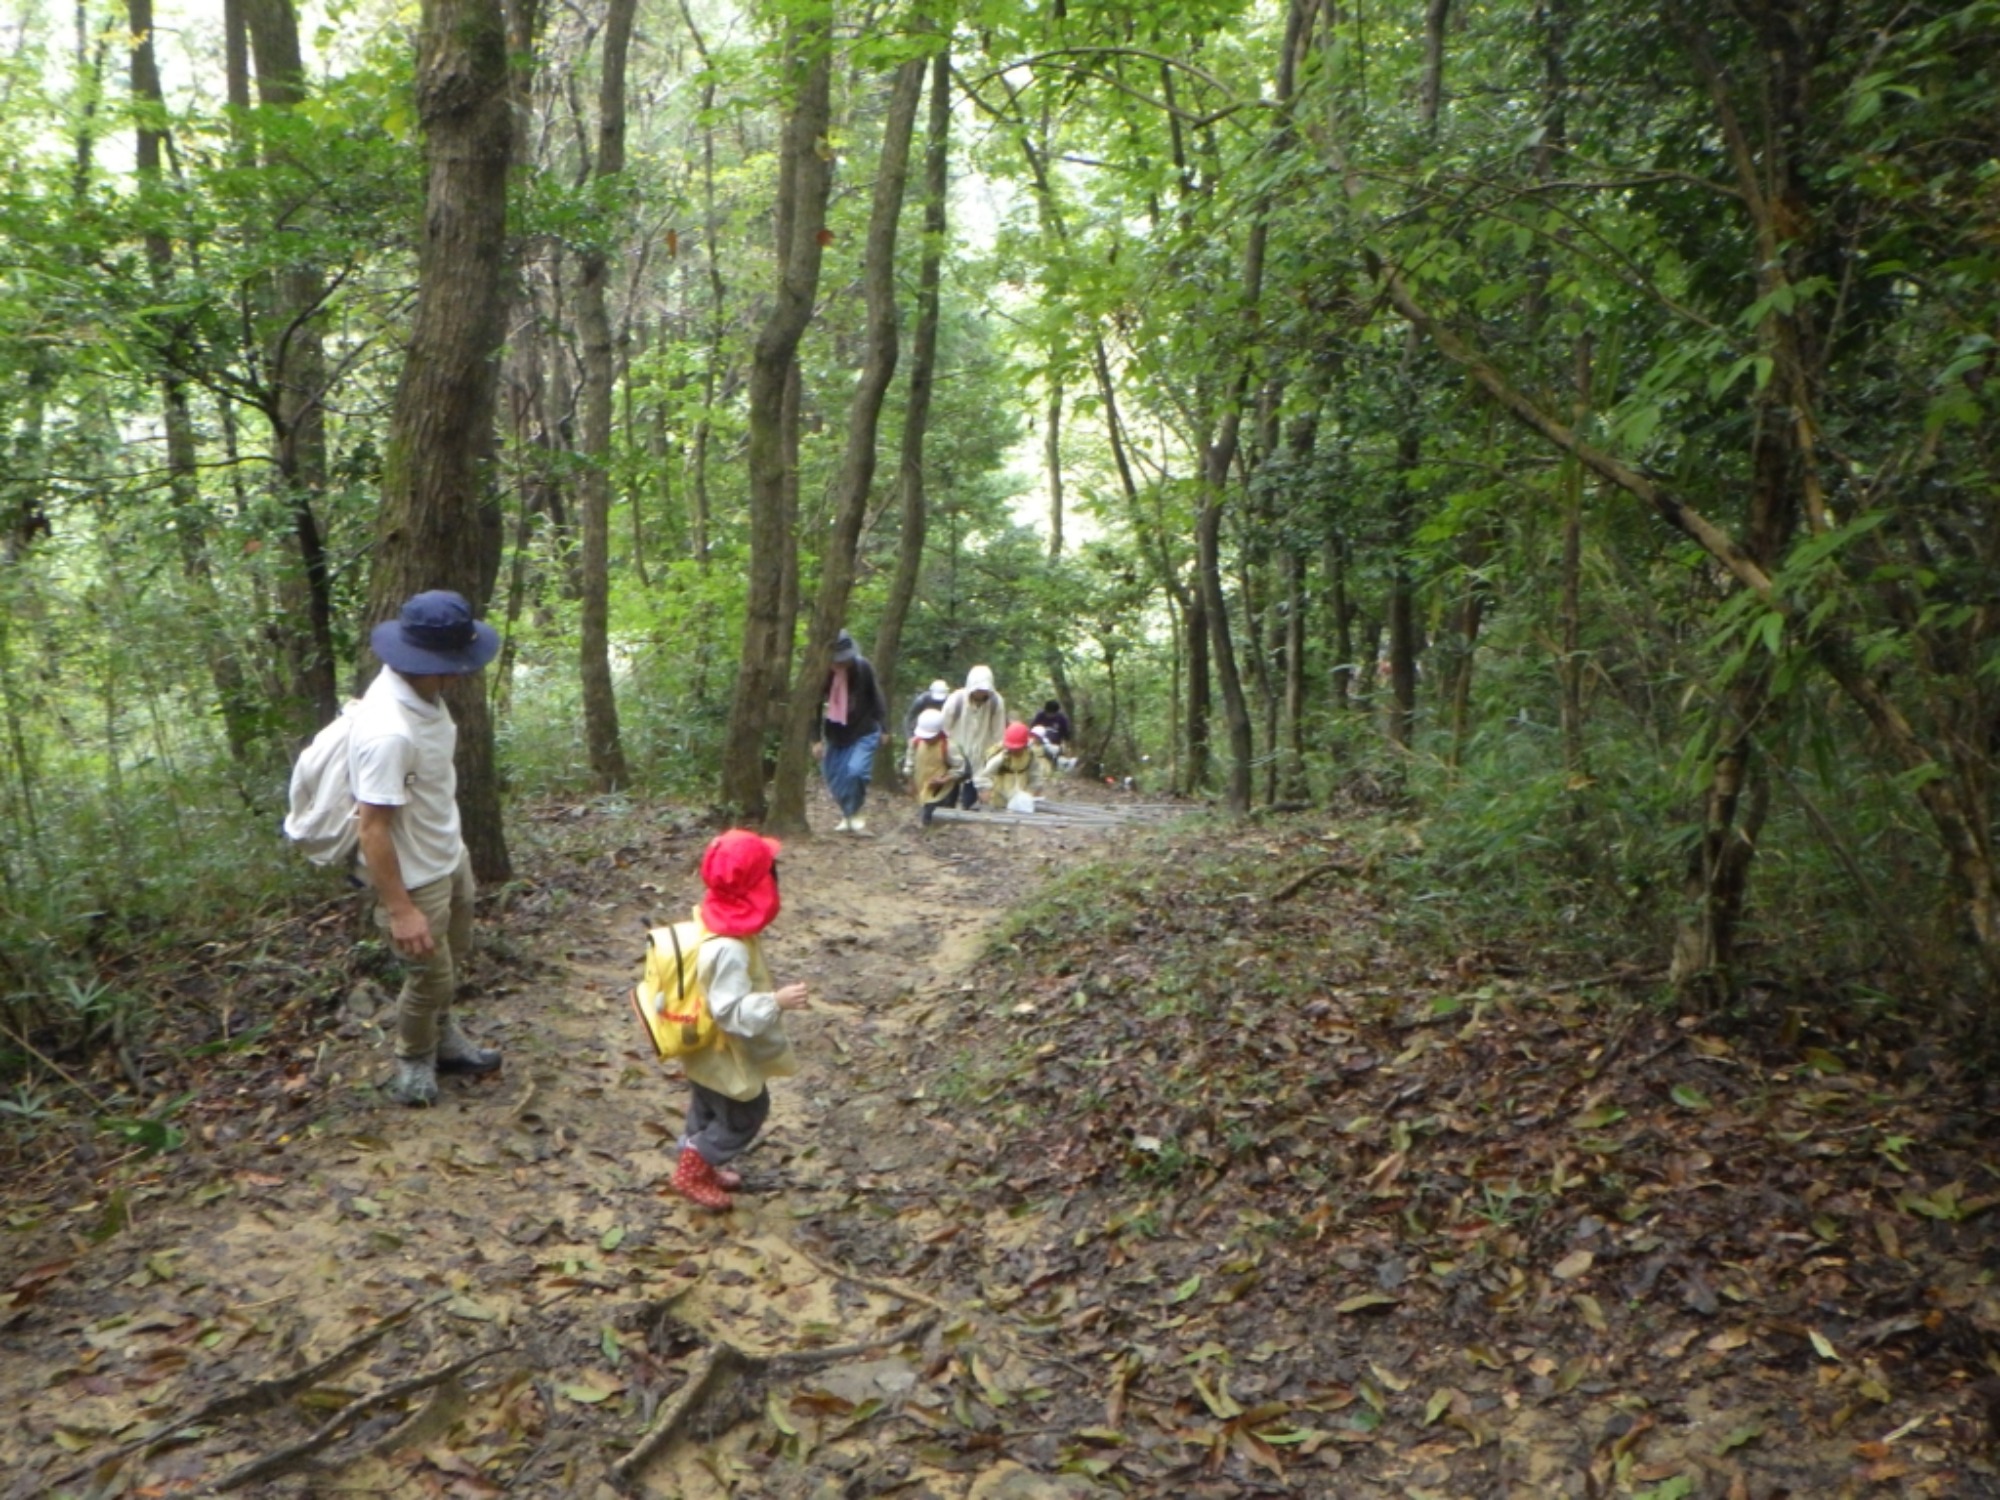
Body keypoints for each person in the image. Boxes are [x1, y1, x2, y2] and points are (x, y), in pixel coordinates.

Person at [353, 589, 505, 1108]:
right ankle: (413, 1058)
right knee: (427, 974)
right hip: (412, 874)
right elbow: (371, 829)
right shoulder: (387, 732)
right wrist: (400, 909)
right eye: (452, 665)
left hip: (446, 852)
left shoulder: (423, 696)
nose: (461, 675)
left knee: (453, 957)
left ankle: (445, 1039)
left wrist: (456, 853)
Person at [670, 830, 809, 1211]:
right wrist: (775, 1001)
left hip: (701, 1046)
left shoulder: (710, 920)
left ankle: (700, 1162)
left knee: (707, 1105)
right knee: (746, 1111)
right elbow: (729, 1012)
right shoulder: (729, 949)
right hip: (722, 1047)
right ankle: (692, 1169)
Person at [813, 628, 888, 833]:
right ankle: (848, 814)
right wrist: (815, 739)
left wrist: (884, 727)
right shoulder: (823, 674)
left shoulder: (863, 668)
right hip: (835, 732)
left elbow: (877, 697)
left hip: (864, 729)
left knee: (856, 772)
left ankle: (855, 811)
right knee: (833, 777)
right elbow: (814, 705)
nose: (841, 663)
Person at [939, 665, 1007, 808]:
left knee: (970, 801)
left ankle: (966, 820)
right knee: (948, 795)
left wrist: (992, 765)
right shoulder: (956, 700)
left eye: (984, 690)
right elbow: (942, 728)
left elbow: (998, 736)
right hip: (955, 755)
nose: (981, 693)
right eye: (978, 690)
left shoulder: (996, 703)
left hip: (980, 755)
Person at [907, 708, 968, 827]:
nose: (927, 739)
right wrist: (910, 782)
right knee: (925, 813)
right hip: (922, 786)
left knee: (935, 816)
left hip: (942, 790)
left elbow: (960, 768)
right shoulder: (915, 743)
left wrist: (944, 780)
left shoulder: (948, 746)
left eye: (930, 737)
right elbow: (910, 763)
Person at [980, 721, 1048, 807]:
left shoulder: (1030, 756)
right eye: (1012, 749)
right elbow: (985, 774)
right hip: (999, 800)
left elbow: (1036, 776)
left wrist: (1032, 791)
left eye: (1018, 749)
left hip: (1020, 800)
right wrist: (985, 789)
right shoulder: (1001, 757)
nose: (1015, 751)